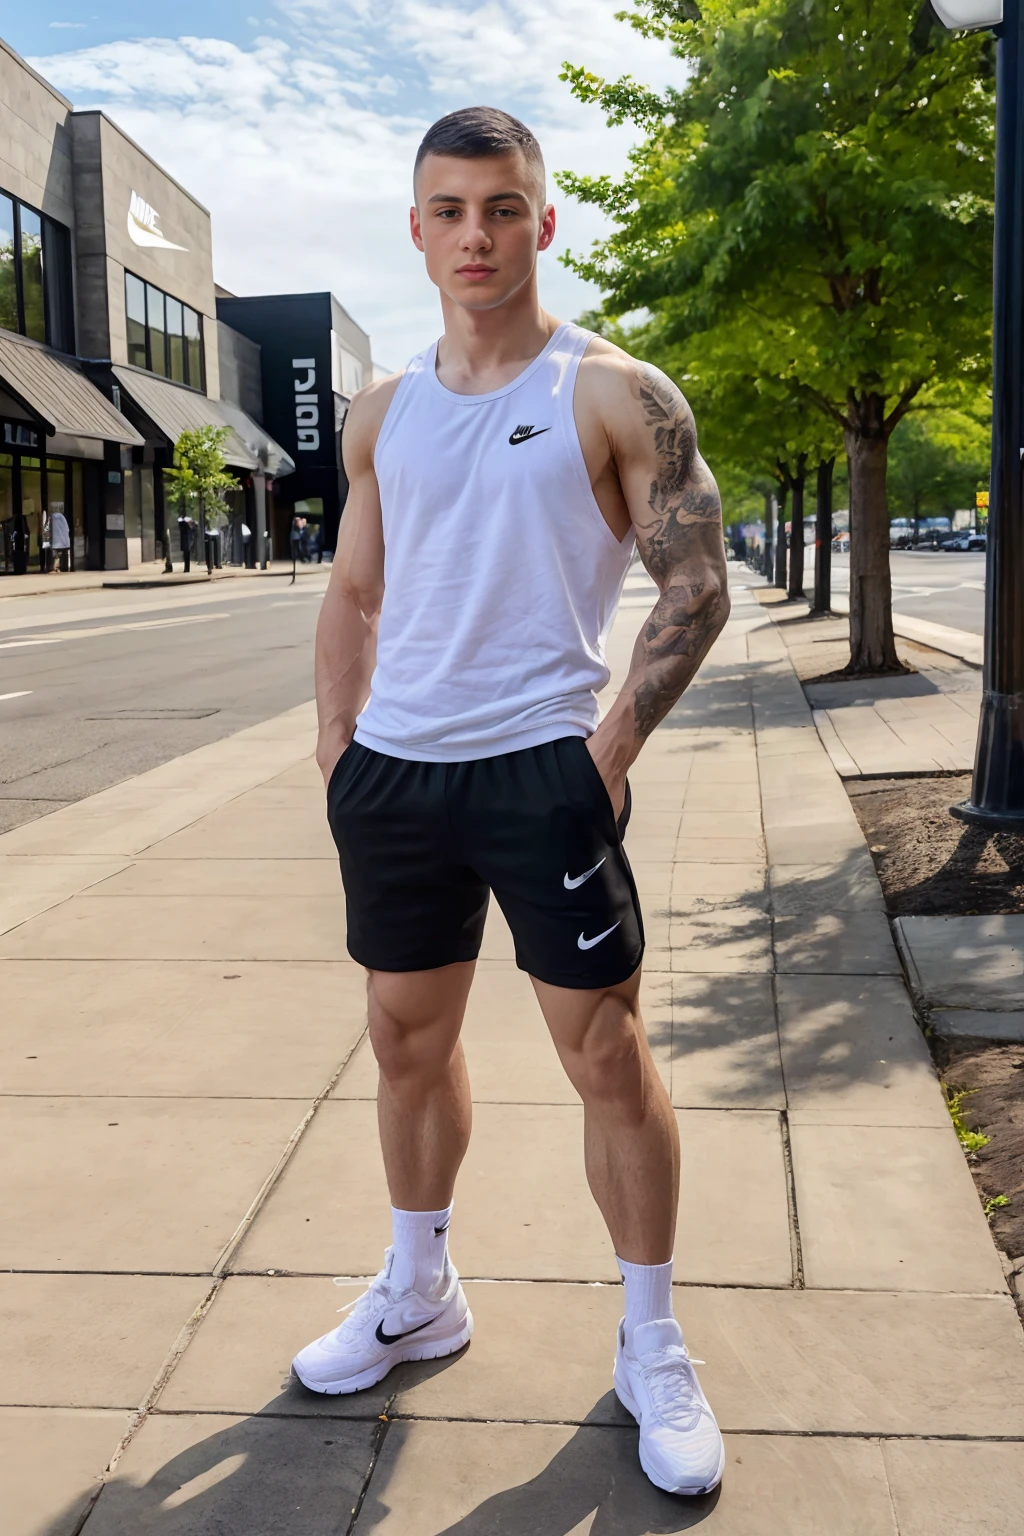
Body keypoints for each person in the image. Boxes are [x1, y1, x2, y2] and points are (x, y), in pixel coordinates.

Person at [295, 107, 730, 1498]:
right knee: (403, 1040)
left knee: (604, 1052)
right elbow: (356, 589)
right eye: (447, 210)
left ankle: (651, 1337)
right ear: (416, 229)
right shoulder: (385, 407)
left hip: (543, 769)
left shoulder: (613, 389)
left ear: (544, 222)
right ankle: (420, 1289)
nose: (474, 235)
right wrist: (337, 740)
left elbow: (696, 584)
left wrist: (607, 747)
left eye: (500, 208)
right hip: (398, 779)